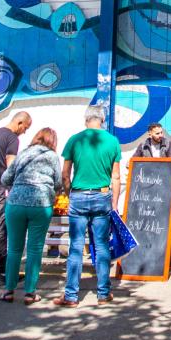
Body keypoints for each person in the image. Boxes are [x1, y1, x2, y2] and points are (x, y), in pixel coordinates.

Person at [53, 105, 121, 308]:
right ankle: (103, 293)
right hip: (102, 196)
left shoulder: (75, 139)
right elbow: (115, 176)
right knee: (101, 245)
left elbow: (65, 174)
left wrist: (68, 193)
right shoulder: (112, 141)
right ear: (102, 120)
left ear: (86, 120)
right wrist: (115, 203)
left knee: (75, 246)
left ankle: (71, 295)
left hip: (79, 196)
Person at [0, 127, 62, 304]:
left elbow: (5, 179)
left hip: (16, 203)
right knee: (35, 249)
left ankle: (8, 291)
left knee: (14, 249)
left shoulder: (23, 154)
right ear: (52, 141)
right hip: (40, 204)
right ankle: (30, 293)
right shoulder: (52, 156)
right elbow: (57, 183)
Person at [0, 111, 32, 286]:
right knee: (0, 231)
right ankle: (5, 274)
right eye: (25, 128)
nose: (24, 132)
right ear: (19, 123)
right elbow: (10, 166)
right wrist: (13, 190)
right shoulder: (12, 138)